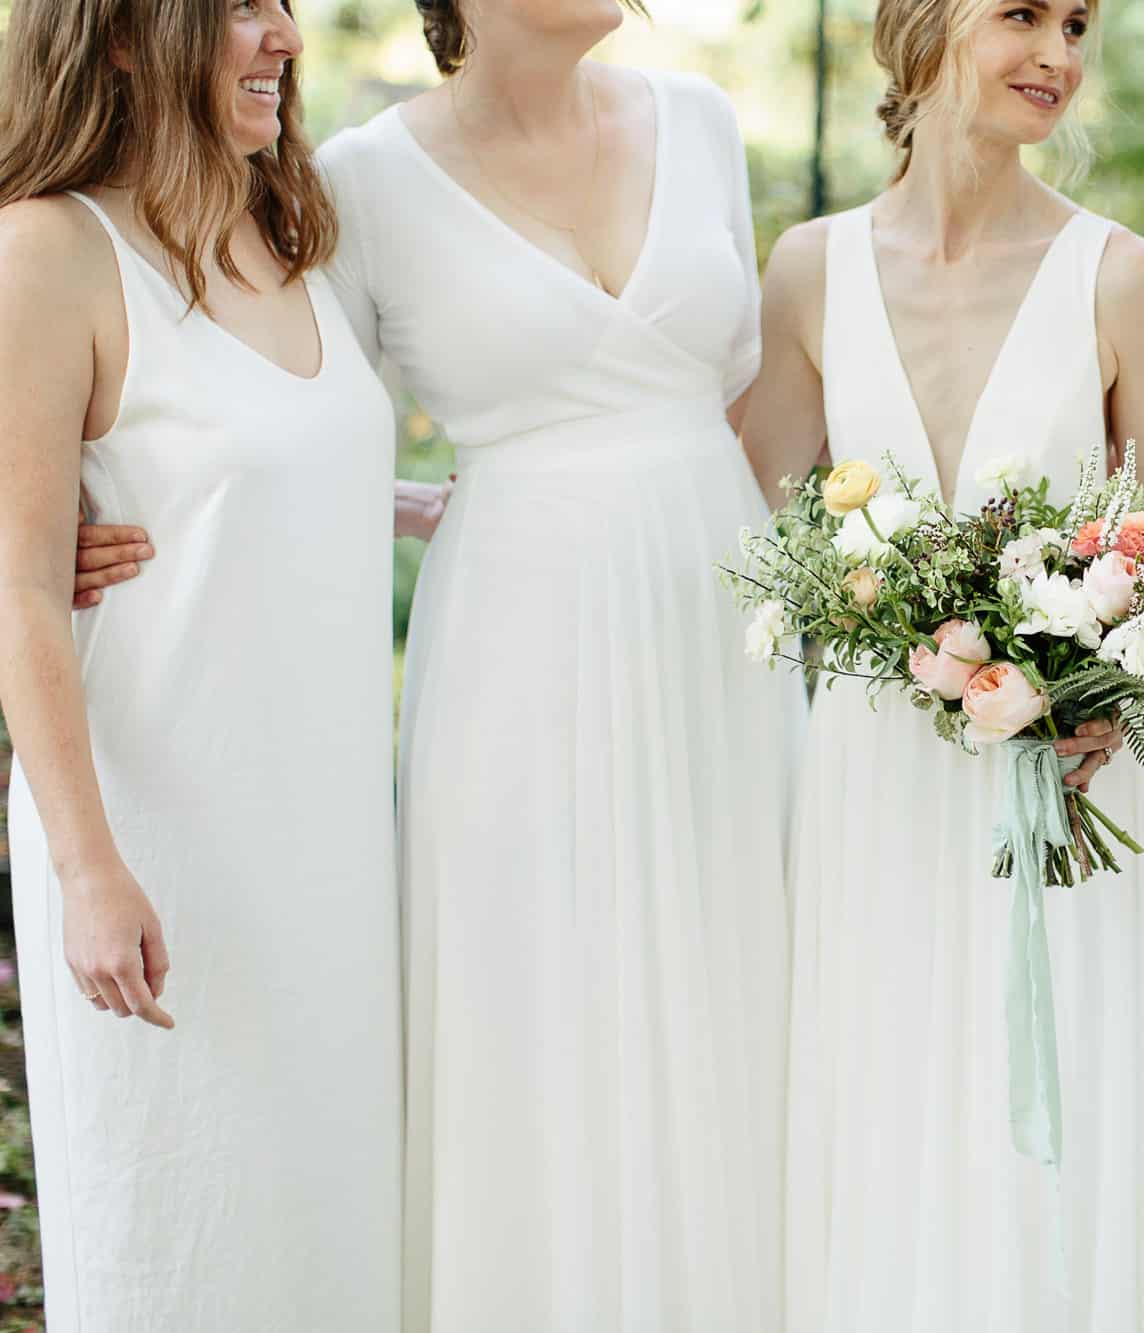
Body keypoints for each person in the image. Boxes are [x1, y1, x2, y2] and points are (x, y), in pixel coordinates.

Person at [317, 1, 801, 1325]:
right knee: (536, 1003)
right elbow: (304, 424)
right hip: (514, 644)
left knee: (730, 979)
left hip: (724, 630)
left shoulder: (700, 122)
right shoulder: (360, 181)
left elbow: (753, 401)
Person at [739, 1, 1144, 1328]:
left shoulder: (1121, 277)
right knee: (884, 1106)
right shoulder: (808, 273)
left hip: (1066, 786)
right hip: (871, 783)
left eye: (1077, 22)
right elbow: (733, 508)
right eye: (1022, 14)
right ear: (927, 22)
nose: (1059, 52)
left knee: (1061, 1131)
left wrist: (1102, 699)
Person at [0, 0, 401, 1328]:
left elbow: (283, 472)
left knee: (328, 1243)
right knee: (178, 1239)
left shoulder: (293, 234)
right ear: (122, 38)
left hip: (330, 856)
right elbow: (21, 592)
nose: (285, 32)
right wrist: (84, 867)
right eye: (240, 5)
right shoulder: (51, 251)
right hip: (156, 849)